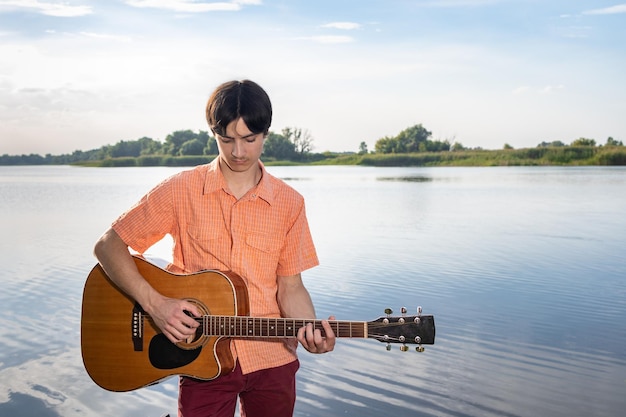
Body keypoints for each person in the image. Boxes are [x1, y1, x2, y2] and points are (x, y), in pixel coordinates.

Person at [93, 79, 335, 417]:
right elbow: (108, 246)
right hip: (200, 359)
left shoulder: (290, 203)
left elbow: (290, 287)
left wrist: (310, 331)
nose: (238, 152)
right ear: (214, 133)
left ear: (265, 134)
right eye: (227, 140)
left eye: (249, 140)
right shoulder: (180, 190)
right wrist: (156, 305)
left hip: (273, 360)